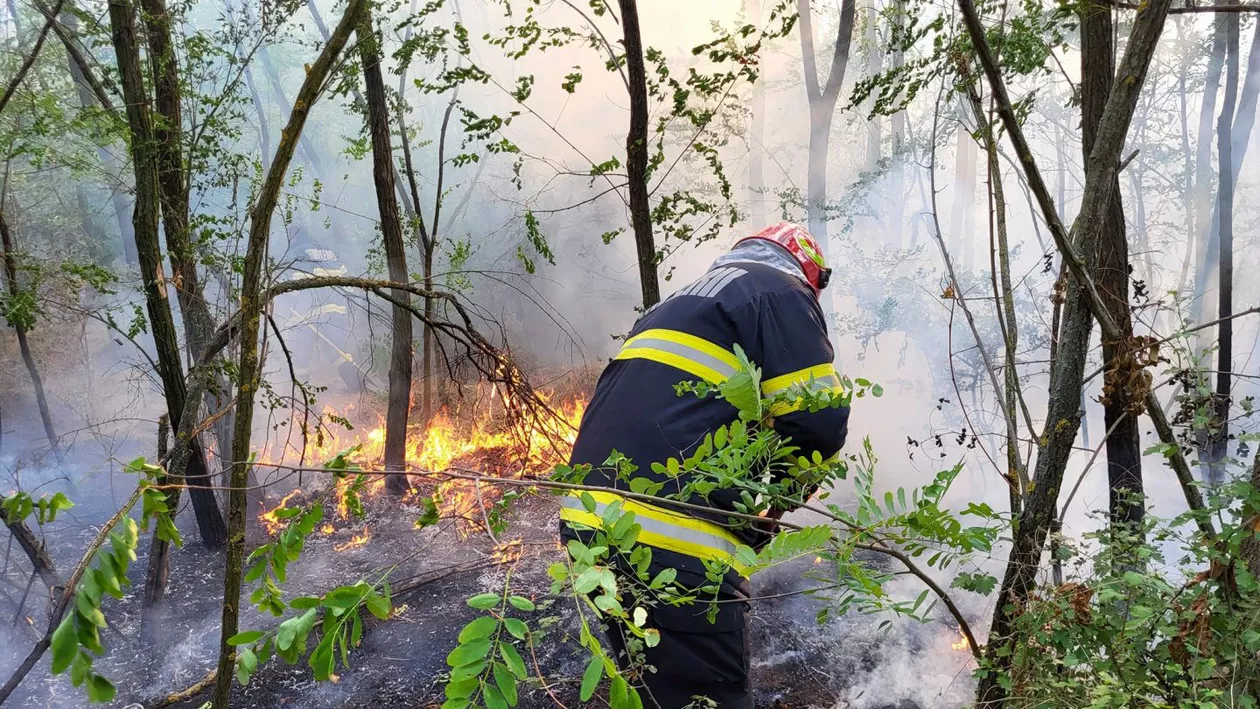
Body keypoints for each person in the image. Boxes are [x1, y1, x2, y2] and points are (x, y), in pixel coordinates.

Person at [559, 223, 851, 708]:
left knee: (654, 688)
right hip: (670, 536)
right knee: (710, 700)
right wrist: (773, 505)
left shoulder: (672, 306)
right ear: (809, 275)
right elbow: (819, 421)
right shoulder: (778, 291)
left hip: (591, 526)